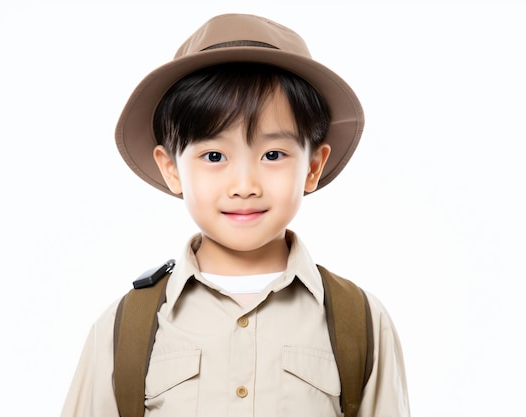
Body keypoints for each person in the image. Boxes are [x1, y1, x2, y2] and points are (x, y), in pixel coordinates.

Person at [60, 13, 410, 417]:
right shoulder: (125, 328)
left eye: (273, 154)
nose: (244, 184)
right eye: (214, 156)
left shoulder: (359, 322)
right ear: (171, 168)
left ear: (313, 166)